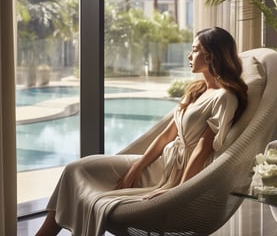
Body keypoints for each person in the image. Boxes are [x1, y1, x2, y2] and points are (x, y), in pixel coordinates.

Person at [36, 27, 248, 236]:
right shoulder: (197, 90)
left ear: (210, 56)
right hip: (162, 162)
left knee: (80, 174)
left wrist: (180, 190)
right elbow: (166, 136)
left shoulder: (225, 97)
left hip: (180, 173)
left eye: (194, 49)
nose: (188, 55)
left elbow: (202, 149)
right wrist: (137, 167)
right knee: (76, 169)